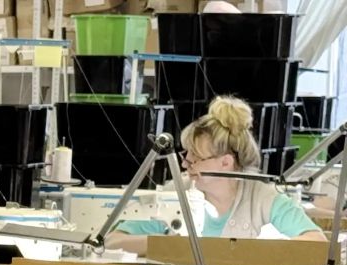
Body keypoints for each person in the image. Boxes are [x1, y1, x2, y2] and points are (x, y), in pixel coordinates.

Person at [106, 96, 327, 255]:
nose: (185, 162)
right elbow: (113, 240)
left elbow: (316, 242)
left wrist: (250, 253)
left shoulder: (263, 198)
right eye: (186, 154)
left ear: (225, 162)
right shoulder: (178, 192)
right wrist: (171, 246)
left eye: (196, 156)